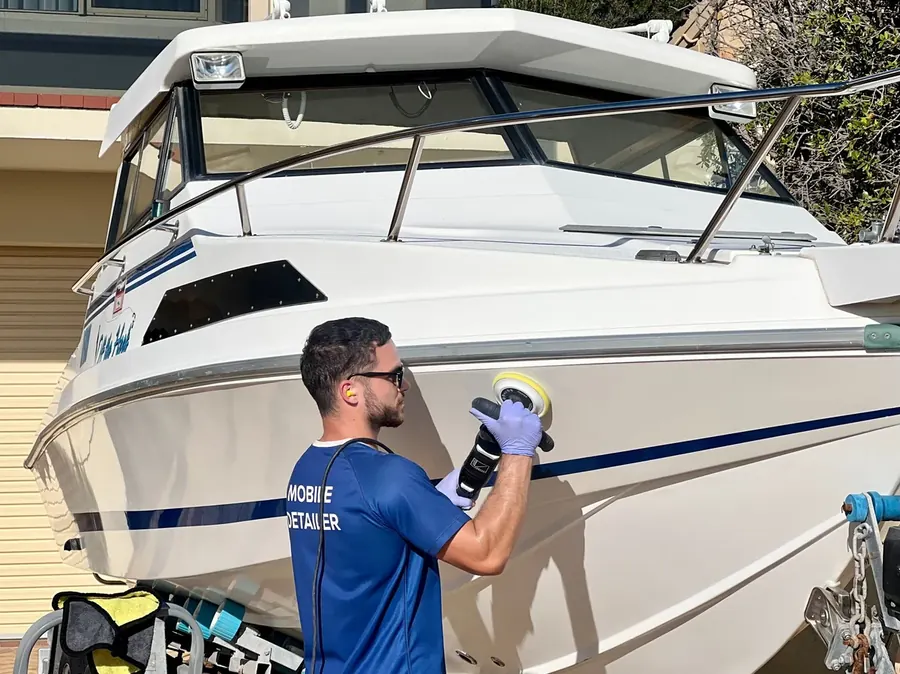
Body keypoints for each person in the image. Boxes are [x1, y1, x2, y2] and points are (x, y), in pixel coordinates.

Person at [286, 316, 543, 674]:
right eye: (394, 375)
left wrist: (435, 501)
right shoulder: (388, 475)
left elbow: (372, 533)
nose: (403, 384)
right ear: (350, 391)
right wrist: (518, 451)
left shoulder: (306, 472)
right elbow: (488, 555)